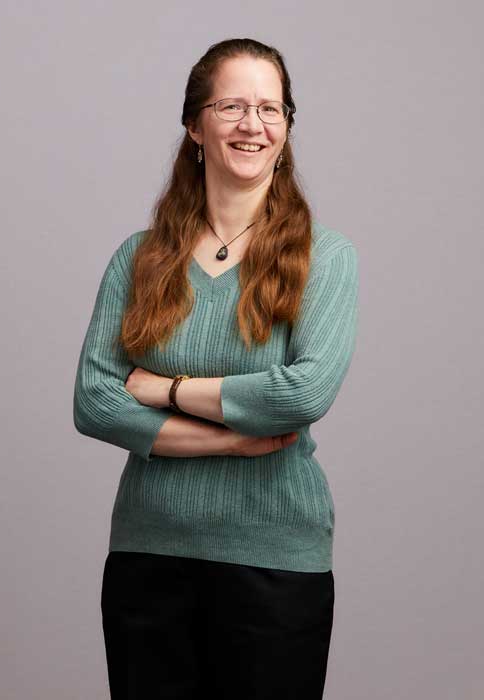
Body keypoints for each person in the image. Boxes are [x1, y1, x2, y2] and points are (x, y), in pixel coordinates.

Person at [73, 37, 359, 700]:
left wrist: (165, 388)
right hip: (148, 558)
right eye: (230, 105)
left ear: (287, 128)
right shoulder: (139, 258)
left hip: (275, 567)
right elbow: (94, 400)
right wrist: (231, 438)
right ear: (195, 125)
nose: (251, 125)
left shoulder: (327, 258)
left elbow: (301, 393)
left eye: (270, 108)